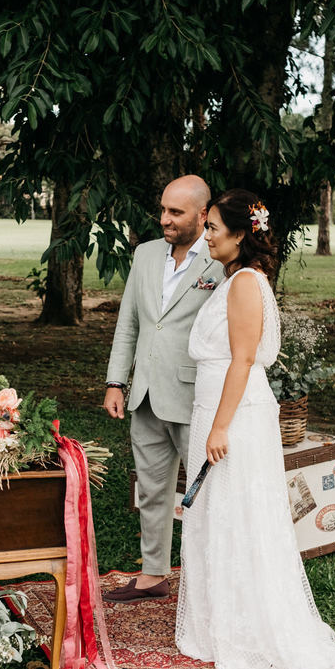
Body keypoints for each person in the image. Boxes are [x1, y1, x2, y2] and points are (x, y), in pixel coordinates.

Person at [175, 189, 335, 669]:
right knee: (216, 515)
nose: (204, 235)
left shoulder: (246, 284)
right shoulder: (232, 278)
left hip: (234, 416)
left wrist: (221, 426)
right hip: (216, 408)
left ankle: (247, 629)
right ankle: (215, 625)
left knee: (239, 515)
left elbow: (244, 359)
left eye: (212, 228)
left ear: (239, 234)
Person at [102, 175, 219, 602]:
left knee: (208, 494)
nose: (165, 219)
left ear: (203, 216)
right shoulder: (146, 253)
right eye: (164, 209)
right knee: (151, 489)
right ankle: (154, 574)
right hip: (145, 394)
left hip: (195, 396)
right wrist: (117, 381)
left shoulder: (221, 260)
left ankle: (210, 579)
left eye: (176, 212)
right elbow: (129, 324)